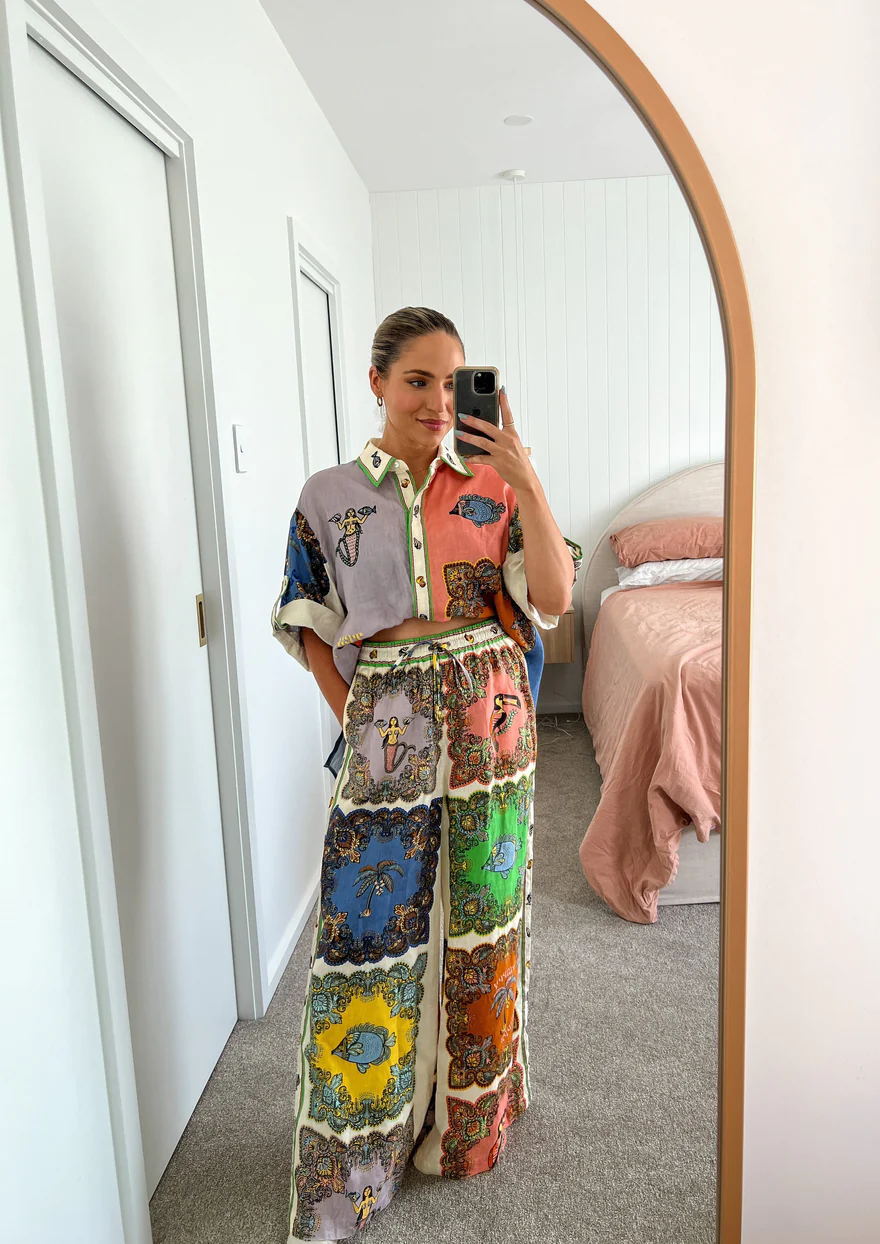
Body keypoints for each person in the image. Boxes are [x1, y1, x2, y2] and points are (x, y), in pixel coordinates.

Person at [271, 306, 579, 1243]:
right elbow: (307, 620)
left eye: (453, 383)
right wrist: (357, 715)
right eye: (418, 380)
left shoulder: (494, 483)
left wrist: (526, 476)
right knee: (368, 935)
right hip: (388, 725)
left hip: (492, 723)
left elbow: (554, 598)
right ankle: (358, 1164)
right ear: (377, 383)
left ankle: (467, 1130)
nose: (439, 401)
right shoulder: (329, 495)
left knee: (482, 923)